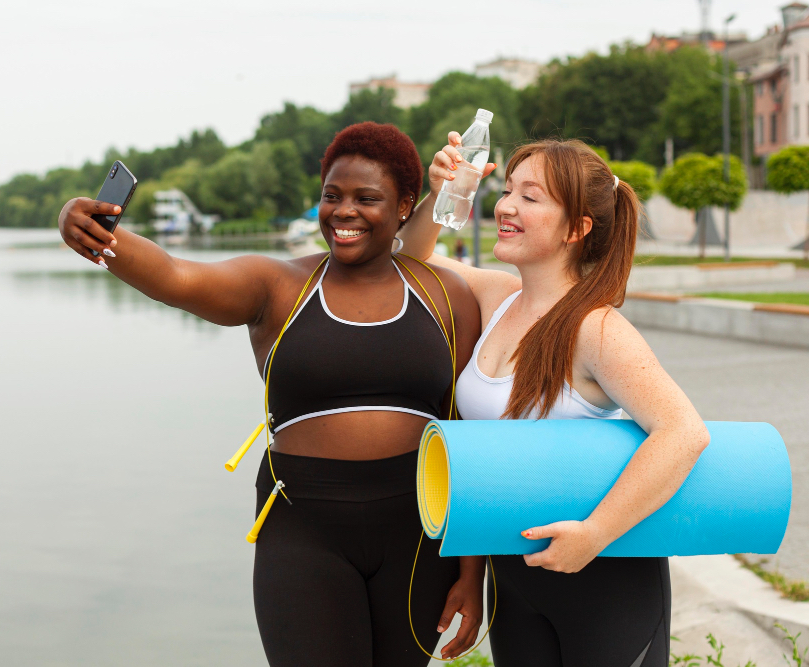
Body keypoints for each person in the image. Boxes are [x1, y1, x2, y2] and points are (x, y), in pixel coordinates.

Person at [57, 122, 485, 665]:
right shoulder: (277, 285)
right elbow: (175, 275)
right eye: (332, 196)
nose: (343, 211)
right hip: (304, 530)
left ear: (406, 205)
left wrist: (474, 573)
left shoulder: (448, 296)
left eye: (366, 198)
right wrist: (88, 225)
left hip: (421, 533)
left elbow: (467, 438)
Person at [400, 136, 709, 666]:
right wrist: (443, 195)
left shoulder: (597, 328)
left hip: (604, 578)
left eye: (531, 196)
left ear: (576, 228)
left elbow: (683, 431)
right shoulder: (496, 297)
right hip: (513, 578)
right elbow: (408, 258)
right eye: (507, 190)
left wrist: (596, 533)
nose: (505, 206)